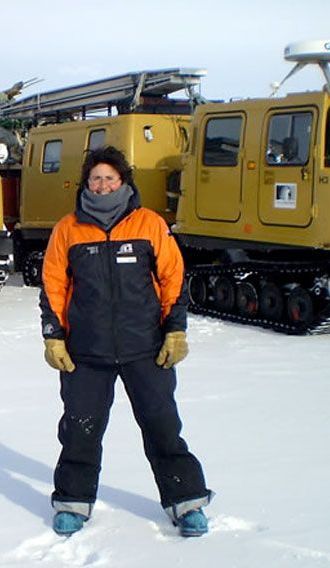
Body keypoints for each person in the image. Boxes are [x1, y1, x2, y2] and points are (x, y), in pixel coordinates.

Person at [39, 146, 212, 537]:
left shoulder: (149, 224)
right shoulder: (68, 228)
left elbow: (172, 279)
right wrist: (54, 337)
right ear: (86, 182)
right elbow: (53, 285)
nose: (102, 185)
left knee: (162, 426)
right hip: (86, 353)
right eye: (95, 178)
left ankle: (186, 502)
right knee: (80, 430)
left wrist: (176, 329)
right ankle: (72, 502)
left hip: (145, 349)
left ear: (123, 182)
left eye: (109, 178)